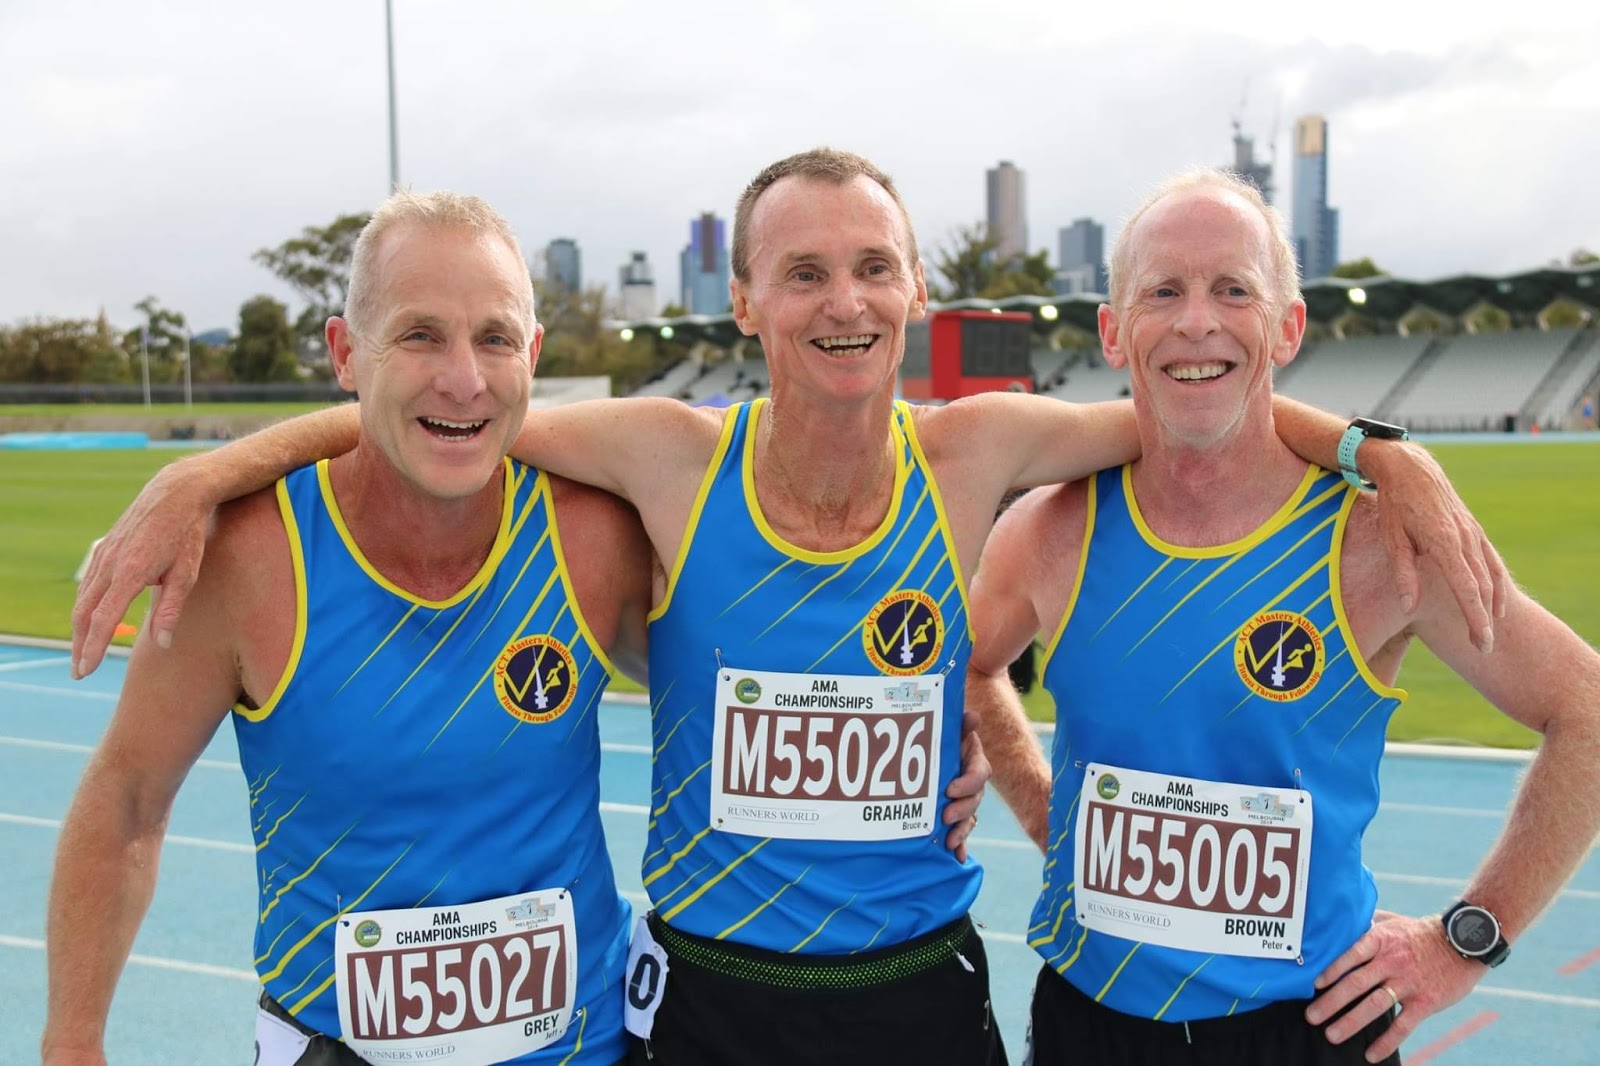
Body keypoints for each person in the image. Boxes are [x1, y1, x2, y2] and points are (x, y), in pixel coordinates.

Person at [68, 150, 1508, 1066]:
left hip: (916, 993)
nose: (845, 296)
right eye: (803, 270)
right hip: (700, 1001)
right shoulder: (667, 460)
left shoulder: (981, 450)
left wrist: (1380, 450)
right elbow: (454, 416)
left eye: (873, 265)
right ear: (744, 302)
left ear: (914, 291)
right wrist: (211, 469)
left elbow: (1201, 392)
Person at [965, 166, 1600, 1065]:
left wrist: (1467, 938)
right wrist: (1042, 811)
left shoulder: (1380, 542)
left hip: (1306, 1029)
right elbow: (971, 665)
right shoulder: (1044, 533)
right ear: (1112, 330)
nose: (1197, 321)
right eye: (1163, 292)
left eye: (1234, 290)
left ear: (1287, 327)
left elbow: (1589, 711)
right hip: (1088, 1021)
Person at [43, 192, 656, 1065]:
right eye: (418, 335)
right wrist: (73, 1043)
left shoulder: (593, 540)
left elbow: (753, 666)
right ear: (345, 354)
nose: (462, 377)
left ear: (532, 354)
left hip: (582, 1049)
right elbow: (128, 797)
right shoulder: (251, 566)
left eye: (493, 338)